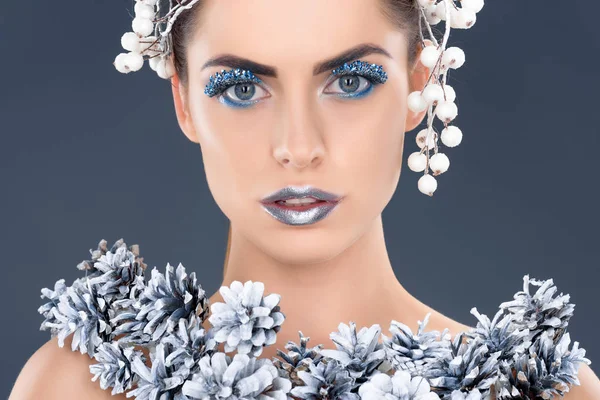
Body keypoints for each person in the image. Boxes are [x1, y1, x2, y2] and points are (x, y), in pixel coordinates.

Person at [9, 0, 599, 399]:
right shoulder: (83, 388)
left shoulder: (538, 390)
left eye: (349, 82)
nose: (299, 147)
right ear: (184, 101)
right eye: (242, 88)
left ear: (420, 83)